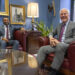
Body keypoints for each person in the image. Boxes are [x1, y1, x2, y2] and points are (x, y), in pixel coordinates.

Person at [37, 8, 75, 75]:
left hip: (67, 46)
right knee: (42, 49)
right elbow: (51, 33)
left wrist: (61, 42)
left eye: (65, 13)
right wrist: (51, 38)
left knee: (60, 45)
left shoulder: (73, 24)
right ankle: (36, 68)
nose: (63, 15)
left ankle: (53, 71)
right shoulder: (59, 25)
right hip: (57, 45)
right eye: (61, 14)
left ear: (68, 15)